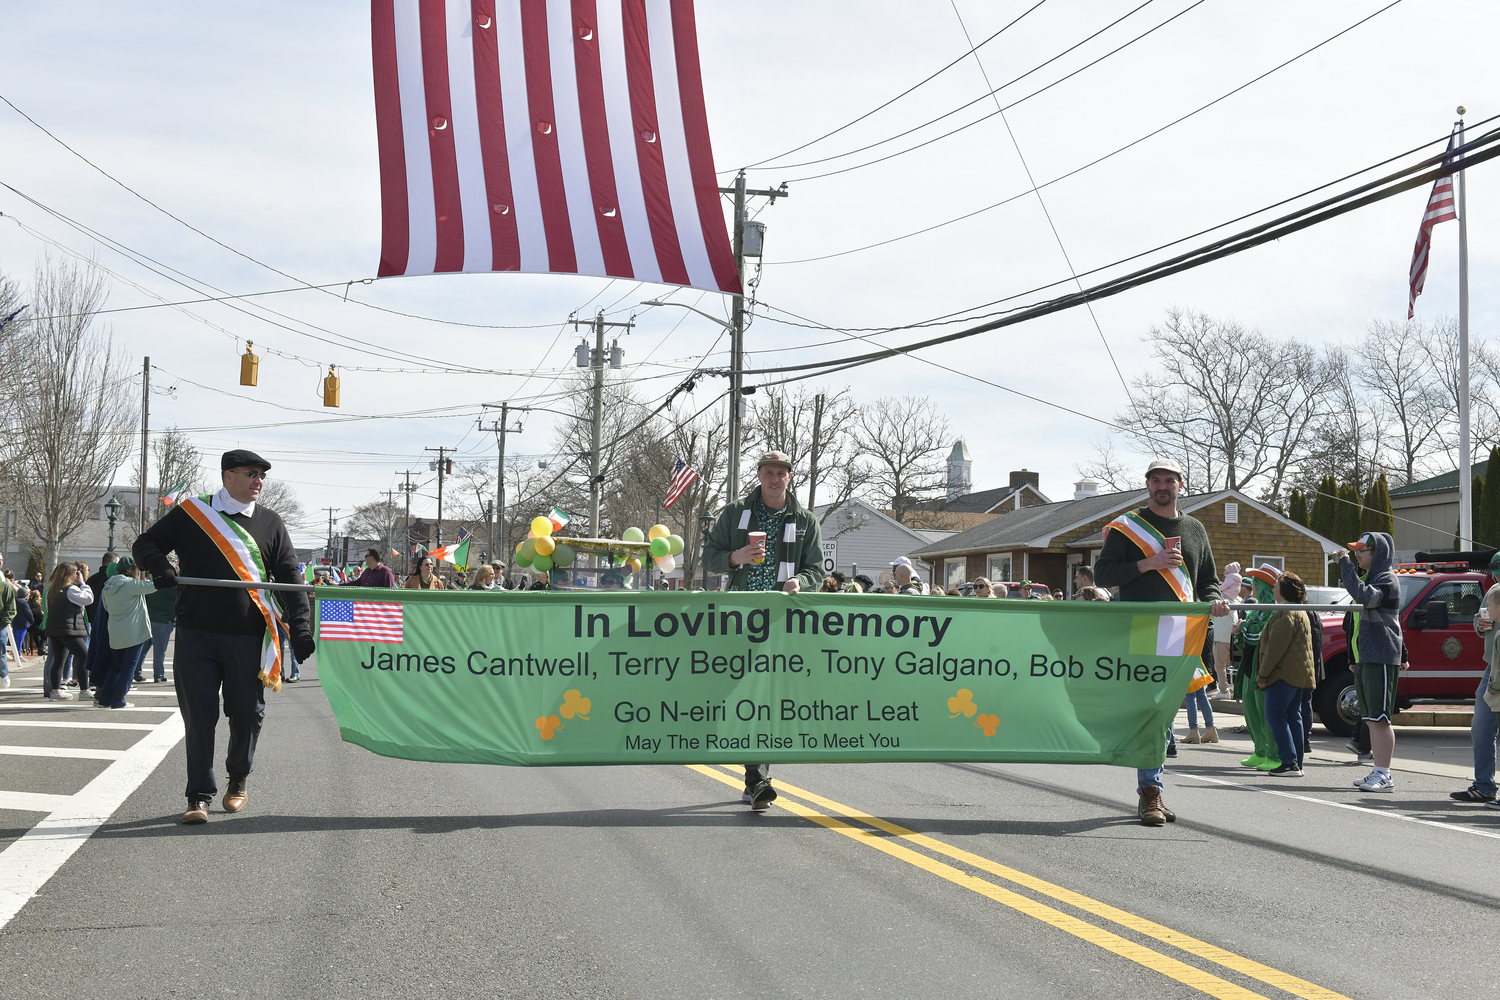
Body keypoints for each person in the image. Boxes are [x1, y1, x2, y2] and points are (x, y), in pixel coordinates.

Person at [134, 449, 314, 825]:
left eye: (262, 475)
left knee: (247, 714)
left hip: (248, 635)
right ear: (228, 475)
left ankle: (238, 778)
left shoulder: (270, 522)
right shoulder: (191, 513)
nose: (258, 481)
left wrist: (300, 627)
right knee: (199, 717)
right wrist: (159, 565)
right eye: (251, 473)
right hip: (196, 633)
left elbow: (290, 579)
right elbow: (145, 544)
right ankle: (198, 795)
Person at [1094, 457, 1229, 827]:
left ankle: (1150, 787)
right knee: (1151, 710)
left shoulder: (1195, 529)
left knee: (1164, 710)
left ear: (1180, 486)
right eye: (1155, 480)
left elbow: (1208, 581)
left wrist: (1215, 600)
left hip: (1178, 630)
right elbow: (1103, 574)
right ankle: (1151, 792)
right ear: (1148, 486)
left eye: (1169, 479)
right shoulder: (1128, 527)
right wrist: (1147, 564)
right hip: (1138, 625)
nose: (1162, 485)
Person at [702, 450, 826, 811]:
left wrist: (800, 581)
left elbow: (816, 569)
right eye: (768, 472)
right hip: (739, 617)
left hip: (781, 621)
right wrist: (734, 557)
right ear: (759, 475)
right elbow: (711, 555)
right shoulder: (736, 513)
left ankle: (756, 776)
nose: (775, 479)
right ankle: (756, 776)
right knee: (744, 691)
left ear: (789, 477)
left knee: (768, 696)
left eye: (781, 473)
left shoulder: (805, 520)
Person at [1339, 531, 1406, 793]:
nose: (1356, 554)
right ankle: (1378, 769)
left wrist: (1344, 564)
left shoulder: (1387, 580)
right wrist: (1354, 657)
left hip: (1382, 656)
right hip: (1367, 656)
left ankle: (1385, 773)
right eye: (1355, 550)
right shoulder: (1373, 578)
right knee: (1369, 718)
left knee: (1380, 719)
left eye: (1362, 550)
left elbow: (1363, 595)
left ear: (1377, 553)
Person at [1254, 570, 1315, 776]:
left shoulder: (1286, 613)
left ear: (1284, 590)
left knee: (1274, 714)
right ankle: (1296, 762)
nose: (1273, 588)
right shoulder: (1299, 611)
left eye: (1276, 586)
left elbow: (1274, 650)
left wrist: (1262, 676)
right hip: (1298, 674)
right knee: (1293, 715)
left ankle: (1289, 762)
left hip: (1283, 675)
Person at [1455, 584, 1500, 806]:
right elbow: (1479, 620)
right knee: (1481, 726)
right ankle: (1484, 786)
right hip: (1492, 670)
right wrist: (1480, 625)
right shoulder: (1495, 591)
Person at [95, 556, 157, 710]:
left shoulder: (108, 586)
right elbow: (154, 586)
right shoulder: (131, 584)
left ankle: (105, 699)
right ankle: (119, 700)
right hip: (133, 632)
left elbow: (107, 608)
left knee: (116, 667)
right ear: (131, 569)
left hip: (115, 631)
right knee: (129, 668)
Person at [43, 562, 93, 700]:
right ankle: (84, 691)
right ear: (71, 574)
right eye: (76, 573)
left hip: (54, 629)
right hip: (69, 629)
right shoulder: (71, 589)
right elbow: (89, 599)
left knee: (59, 660)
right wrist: (82, 583)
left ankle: (56, 691)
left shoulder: (52, 590)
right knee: (85, 657)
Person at [145, 567, 177, 683]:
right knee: (160, 650)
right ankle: (158, 674)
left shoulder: (149, 586)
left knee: (144, 648)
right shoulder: (171, 588)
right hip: (164, 620)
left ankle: (137, 671)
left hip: (149, 619)